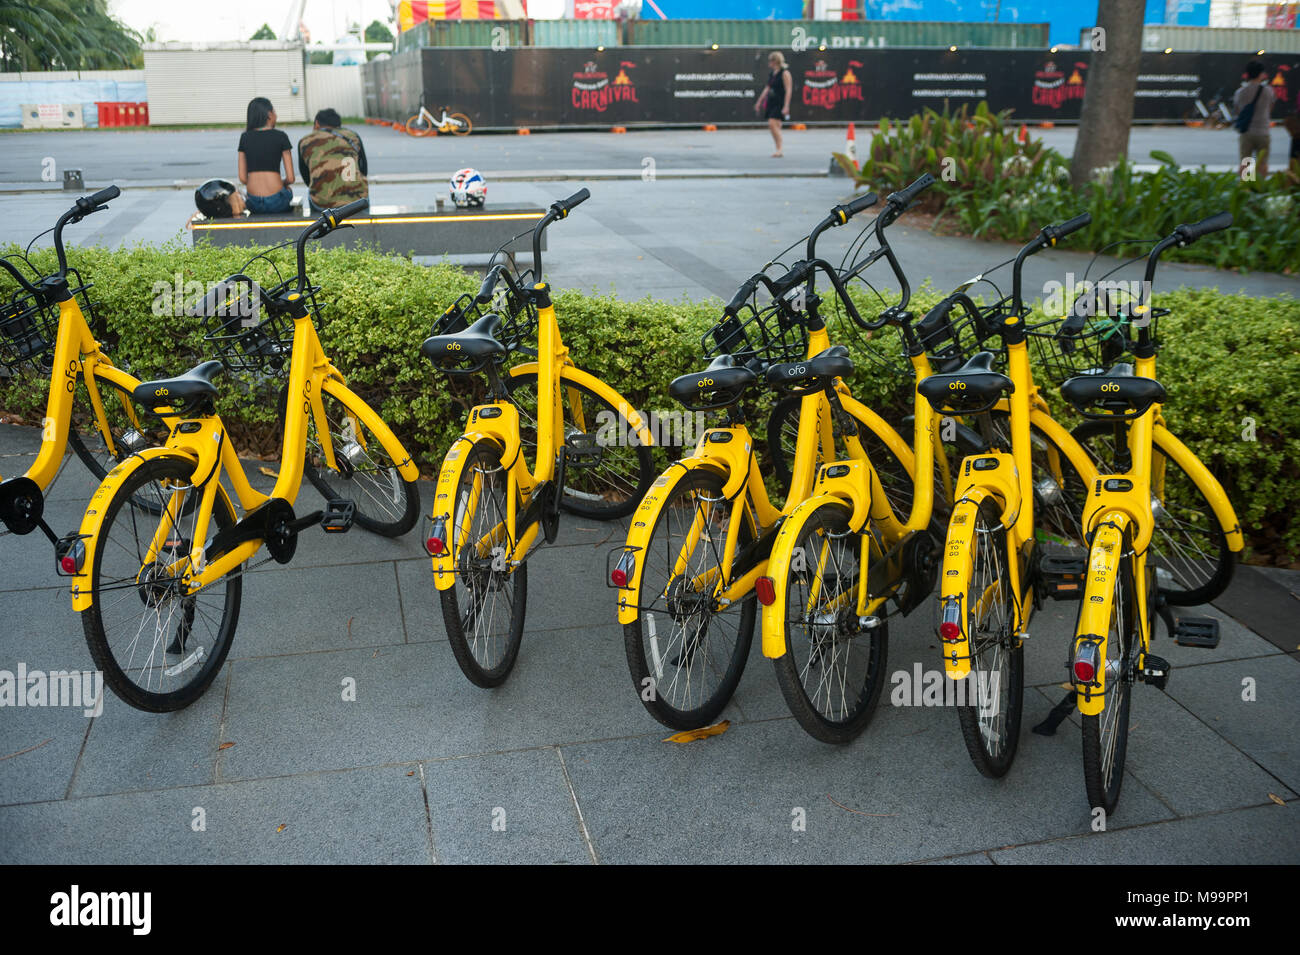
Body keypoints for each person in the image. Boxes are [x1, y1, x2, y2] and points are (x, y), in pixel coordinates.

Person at [297, 108, 369, 214]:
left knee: (312, 191)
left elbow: (307, 178)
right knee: (362, 188)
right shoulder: (353, 136)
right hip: (356, 200)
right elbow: (364, 169)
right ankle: (367, 226)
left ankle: (319, 225)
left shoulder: (305, 141)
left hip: (322, 203)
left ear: (316, 124)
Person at [237, 97, 294, 214]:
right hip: (277, 201)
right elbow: (291, 178)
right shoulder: (281, 136)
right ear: (269, 114)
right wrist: (282, 184)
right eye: (274, 112)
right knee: (288, 191)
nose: (276, 115)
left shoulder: (245, 137)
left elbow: (243, 178)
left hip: (253, 202)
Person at [1233, 61, 1275, 180]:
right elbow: (1270, 108)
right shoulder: (1268, 91)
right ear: (1261, 74)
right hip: (1263, 132)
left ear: (1247, 74)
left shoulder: (1240, 92)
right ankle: (1260, 188)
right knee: (1262, 162)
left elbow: (1237, 112)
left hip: (1246, 132)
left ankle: (1247, 187)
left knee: (1246, 162)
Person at [754, 50, 793, 158]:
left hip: (780, 101)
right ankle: (777, 147)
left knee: (772, 123)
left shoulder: (785, 73)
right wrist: (759, 101)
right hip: (771, 101)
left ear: (775, 61)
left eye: (771, 61)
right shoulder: (772, 74)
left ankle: (780, 149)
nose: (769, 63)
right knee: (775, 126)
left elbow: (788, 89)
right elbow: (767, 88)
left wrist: (786, 105)